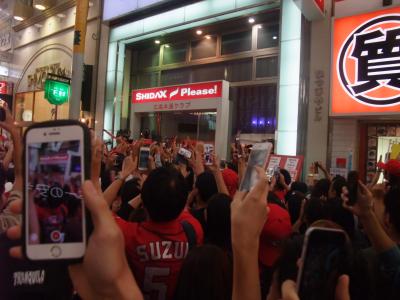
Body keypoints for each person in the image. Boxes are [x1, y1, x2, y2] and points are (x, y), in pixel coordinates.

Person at [114, 167, 204, 300]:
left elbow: (95, 211)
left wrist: (123, 178)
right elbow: (181, 206)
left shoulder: (128, 234)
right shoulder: (194, 230)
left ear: (144, 201)